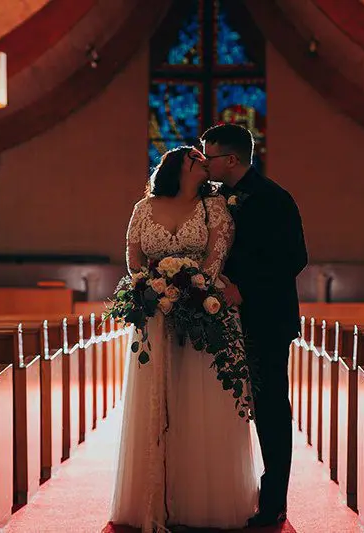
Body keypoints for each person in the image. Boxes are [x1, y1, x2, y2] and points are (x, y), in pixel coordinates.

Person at [109, 146, 261, 532]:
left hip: (205, 308)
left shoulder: (215, 207)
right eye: (197, 158)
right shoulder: (143, 208)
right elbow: (133, 256)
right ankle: (153, 497)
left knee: (201, 401)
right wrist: (151, 287)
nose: (204, 163)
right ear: (178, 166)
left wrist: (195, 289)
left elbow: (216, 254)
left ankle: (202, 499)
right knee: (157, 399)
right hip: (156, 315)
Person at [201, 124, 308, 527]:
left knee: (270, 406)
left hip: (265, 317)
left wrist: (245, 289)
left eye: (207, 155)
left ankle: (273, 499)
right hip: (216, 317)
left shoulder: (274, 199)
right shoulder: (210, 198)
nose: (202, 161)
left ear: (230, 159)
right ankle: (218, 491)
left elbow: (294, 257)